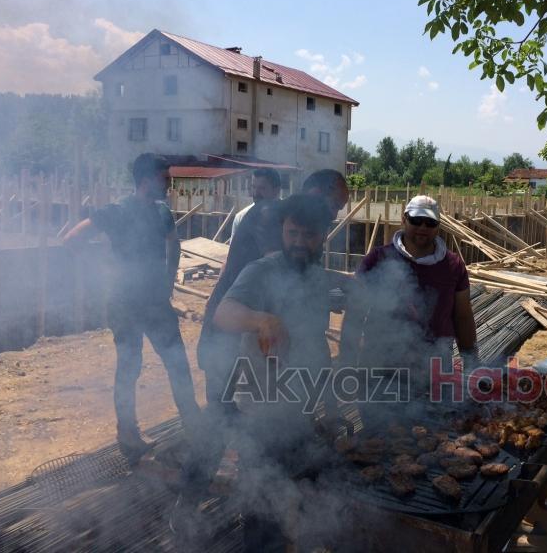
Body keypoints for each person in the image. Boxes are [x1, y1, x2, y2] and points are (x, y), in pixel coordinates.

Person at [212, 194, 339, 550]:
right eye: (292, 233)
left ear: (323, 235)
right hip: (261, 419)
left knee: (308, 505)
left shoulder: (317, 279)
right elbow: (223, 313)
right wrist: (261, 319)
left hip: (300, 414)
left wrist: (329, 407)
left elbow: (317, 344)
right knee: (263, 516)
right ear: (283, 231)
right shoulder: (260, 272)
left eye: (308, 235)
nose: (299, 242)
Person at [63, 153, 200, 461]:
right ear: (146, 180)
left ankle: (193, 424)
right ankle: (127, 434)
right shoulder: (117, 211)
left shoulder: (162, 213)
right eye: (165, 178)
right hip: (125, 304)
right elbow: (72, 240)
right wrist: (103, 271)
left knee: (177, 363)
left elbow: (173, 244)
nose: (169, 184)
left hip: (155, 302)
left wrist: (167, 283)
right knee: (130, 366)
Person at [340, 195, 477, 387]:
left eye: (429, 222)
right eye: (416, 220)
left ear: (438, 225)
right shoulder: (377, 260)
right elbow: (355, 313)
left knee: (436, 415)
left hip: (435, 367)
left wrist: (471, 360)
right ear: (404, 219)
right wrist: (346, 362)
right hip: (381, 366)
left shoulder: (453, 265)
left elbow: (463, 316)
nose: (423, 227)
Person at [229, 167, 281, 242]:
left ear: (276, 190)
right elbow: (235, 251)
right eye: (253, 187)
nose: (256, 193)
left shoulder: (288, 217)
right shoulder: (241, 218)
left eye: (262, 188)